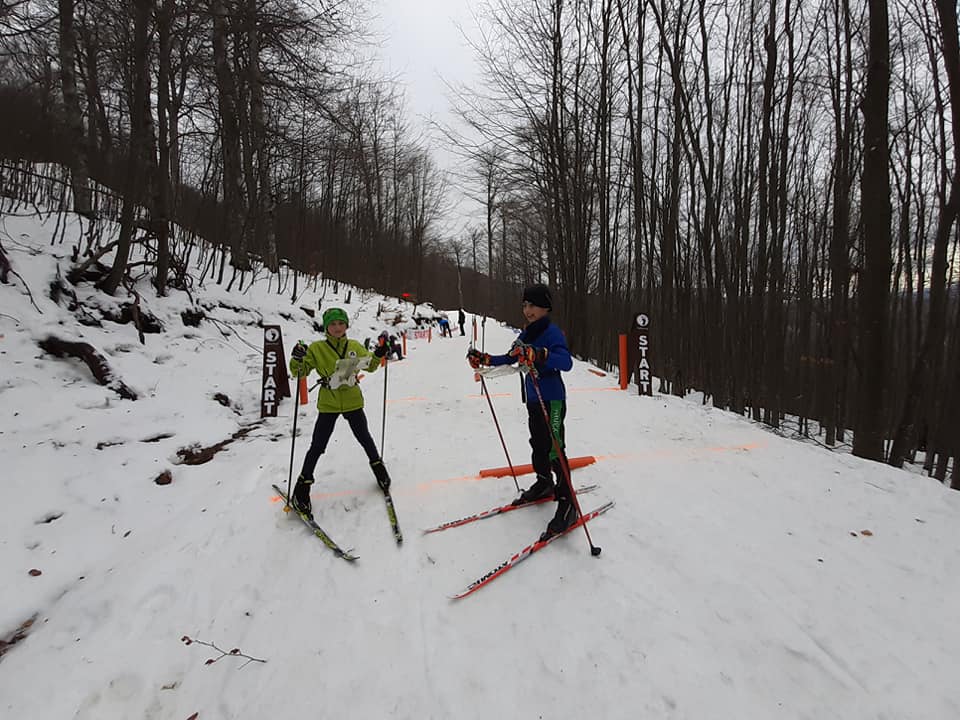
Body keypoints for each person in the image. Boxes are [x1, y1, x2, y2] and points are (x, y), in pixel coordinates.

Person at [466, 284, 575, 538]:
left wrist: (540, 354)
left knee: (554, 448)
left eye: (533, 305)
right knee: (537, 442)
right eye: (525, 305)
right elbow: (511, 356)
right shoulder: (527, 333)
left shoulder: (552, 332)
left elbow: (566, 362)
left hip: (553, 399)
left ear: (546, 307)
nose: (528, 310)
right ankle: (544, 483)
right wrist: (486, 359)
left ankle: (567, 500)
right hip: (534, 399)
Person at [289, 307, 391, 516]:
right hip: (329, 403)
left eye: (341, 323)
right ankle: (302, 487)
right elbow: (300, 371)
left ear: (346, 325)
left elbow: (370, 366)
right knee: (318, 445)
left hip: (353, 400)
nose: (337, 328)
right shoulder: (317, 348)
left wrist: (379, 354)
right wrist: (297, 358)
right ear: (326, 326)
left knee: (365, 437)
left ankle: (380, 470)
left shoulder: (353, 346)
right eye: (333, 324)